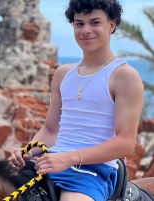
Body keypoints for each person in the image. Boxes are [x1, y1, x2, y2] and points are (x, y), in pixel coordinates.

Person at [9, 0, 144, 200]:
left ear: (112, 25)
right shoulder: (63, 74)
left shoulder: (124, 76)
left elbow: (125, 143)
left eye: (95, 22)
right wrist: (26, 151)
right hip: (50, 161)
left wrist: (69, 158)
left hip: (91, 172)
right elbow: (51, 130)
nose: (86, 30)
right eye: (79, 23)